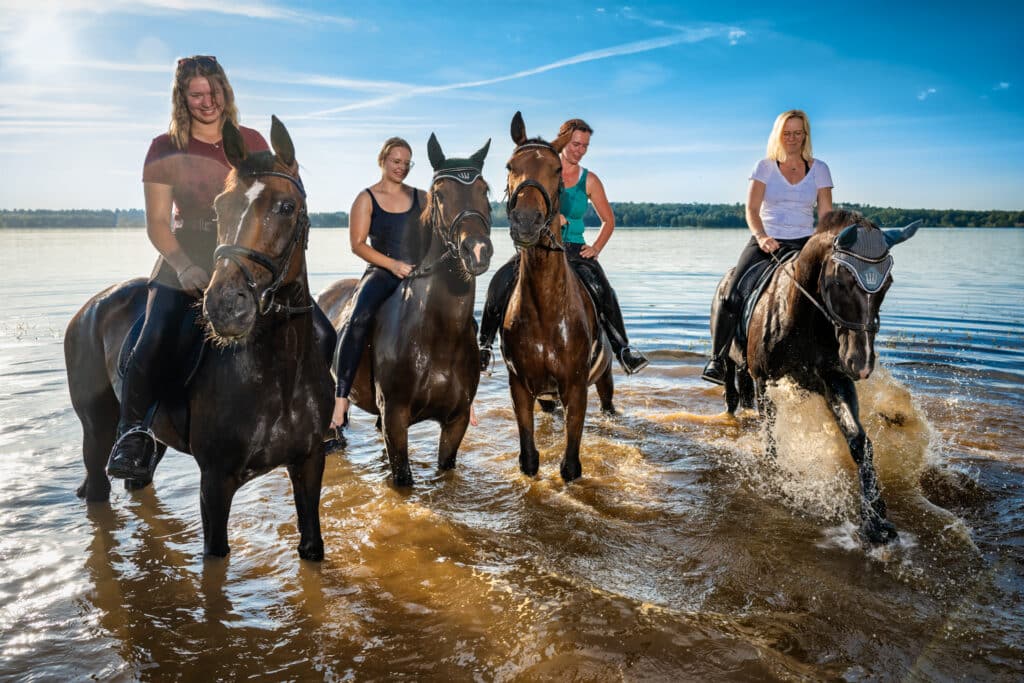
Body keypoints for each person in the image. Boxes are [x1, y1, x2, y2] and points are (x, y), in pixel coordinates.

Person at [478, 118, 649, 375]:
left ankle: (623, 348)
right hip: (538, 246)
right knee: (500, 281)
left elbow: (608, 220)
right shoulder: (541, 168)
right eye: (575, 143)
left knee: (603, 288)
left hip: (575, 248)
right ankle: (485, 345)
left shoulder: (589, 180)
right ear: (562, 141)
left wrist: (596, 248)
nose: (579, 150)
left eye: (585, 146)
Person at [701, 109, 834, 385]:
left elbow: (825, 216)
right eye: (787, 133)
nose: (793, 138)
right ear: (778, 135)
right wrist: (761, 237)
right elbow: (751, 210)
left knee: (838, 293)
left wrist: (823, 243)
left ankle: (842, 357)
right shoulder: (764, 167)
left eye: (798, 133)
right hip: (767, 241)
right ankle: (718, 359)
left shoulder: (820, 169)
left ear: (805, 135)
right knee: (733, 294)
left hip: (806, 244)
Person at [329, 138, 426, 432]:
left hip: (420, 271)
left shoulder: (423, 197)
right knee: (357, 318)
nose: (401, 167)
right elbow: (357, 244)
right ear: (383, 160)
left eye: (407, 163)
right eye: (396, 161)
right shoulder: (366, 198)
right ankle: (341, 397)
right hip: (383, 271)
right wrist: (393, 265)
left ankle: (465, 396)